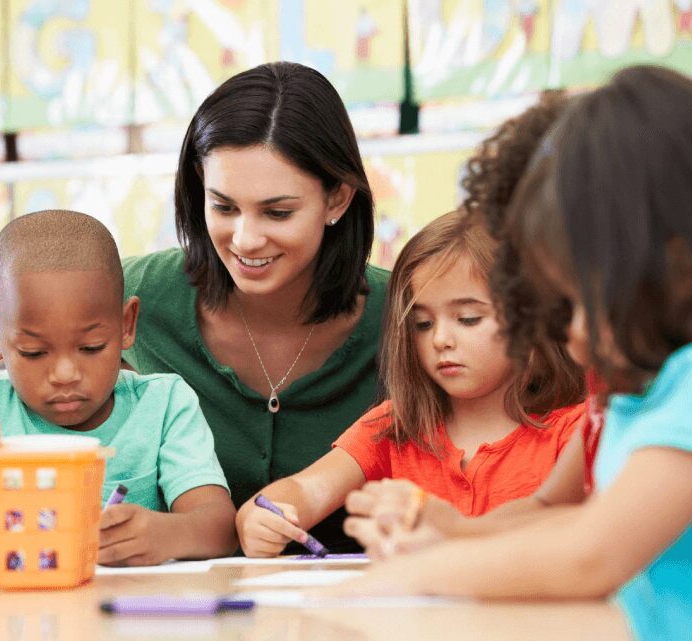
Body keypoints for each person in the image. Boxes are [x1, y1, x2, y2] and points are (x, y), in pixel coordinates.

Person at [324, 66, 692, 641]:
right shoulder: (635, 392)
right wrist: (453, 530)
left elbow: (590, 554)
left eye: (573, 305)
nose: (568, 339)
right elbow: (560, 516)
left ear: (670, 265)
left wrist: (421, 574)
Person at [122, 61, 387, 552]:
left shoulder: (409, 315)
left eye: (278, 212)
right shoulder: (134, 296)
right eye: (223, 206)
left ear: (338, 200)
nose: (244, 239)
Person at [236, 210, 586, 557]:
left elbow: (582, 538)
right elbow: (305, 490)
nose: (441, 340)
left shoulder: (576, 430)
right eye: (422, 324)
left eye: (468, 319)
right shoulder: (395, 425)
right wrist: (260, 517)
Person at [343, 91, 602, 557]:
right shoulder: (612, 401)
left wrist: (427, 560)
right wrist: (447, 529)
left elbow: (592, 556)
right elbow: (543, 508)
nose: (550, 321)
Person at [0, 210, 236, 567]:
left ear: (126, 325)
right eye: (34, 352)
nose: (65, 374)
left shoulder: (164, 404)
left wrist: (165, 534)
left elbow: (220, 527)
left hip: (132, 615)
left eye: (91, 347)